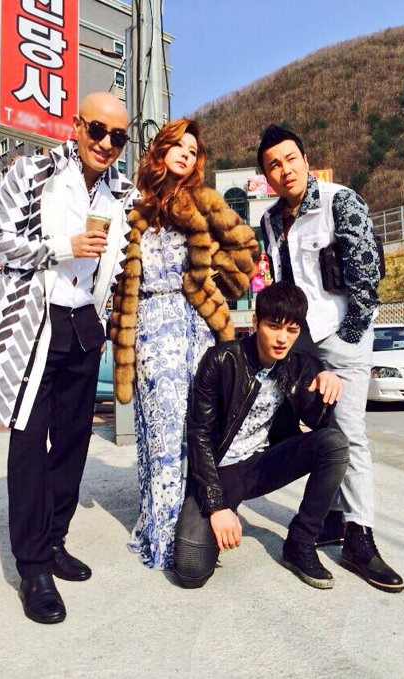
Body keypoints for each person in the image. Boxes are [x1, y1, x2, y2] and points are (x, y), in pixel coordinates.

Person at [0, 92, 136, 623]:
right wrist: (63, 246)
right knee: (30, 444)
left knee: (75, 442)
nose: (106, 143)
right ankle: (32, 565)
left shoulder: (120, 192)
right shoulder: (33, 173)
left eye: (118, 136)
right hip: (35, 323)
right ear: (77, 126)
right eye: (97, 130)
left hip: (84, 323)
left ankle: (54, 539)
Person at [256, 124, 404, 592]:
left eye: (290, 159)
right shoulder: (269, 220)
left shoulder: (340, 201)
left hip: (342, 336)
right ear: (266, 176)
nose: (285, 170)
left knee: (349, 432)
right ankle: (332, 518)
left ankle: (360, 537)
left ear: (305, 160)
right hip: (300, 341)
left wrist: (349, 339)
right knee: (317, 430)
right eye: (274, 165)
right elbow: (281, 281)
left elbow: (367, 273)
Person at [110, 118, 260, 569]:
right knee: (159, 428)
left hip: (193, 325)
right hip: (147, 327)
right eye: (179, 145)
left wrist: (210, 269)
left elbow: (247, 253)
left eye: (193, 151)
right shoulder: (133, 208)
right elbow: (117, 279)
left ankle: (192, 528)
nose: (186, 155)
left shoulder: (204, 202)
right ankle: (163, 531)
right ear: (160, 149)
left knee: (194, 425)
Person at [173, 281, 348, 589]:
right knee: (191, 570)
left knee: (334, 444)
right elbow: (199, 436)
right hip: (218, 472)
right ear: (256, 322)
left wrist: (326, 389)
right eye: (273, 326)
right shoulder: (221, 360)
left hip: (261, 465)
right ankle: (225, 507)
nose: (282, 339)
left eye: (292, 330)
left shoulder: (301, 365)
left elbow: (316, 424)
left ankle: (301, 543)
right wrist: (217, 506)